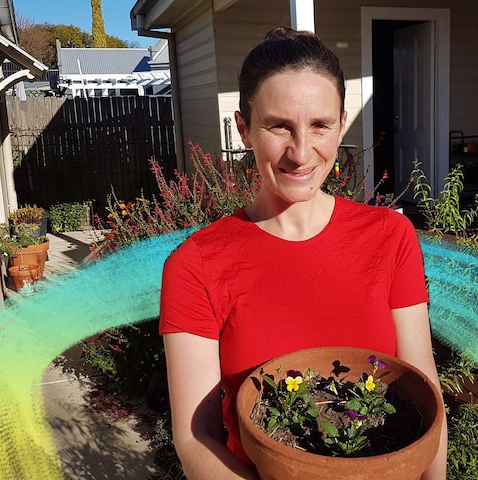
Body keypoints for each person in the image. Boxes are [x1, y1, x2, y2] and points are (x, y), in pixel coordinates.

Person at [159, 27, 447, 479]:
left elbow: (425, 396)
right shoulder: (196, 264)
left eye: (320, 125)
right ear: (244, 130)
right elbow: (197, 438)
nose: (300, 152)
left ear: (341, 124)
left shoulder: (390, 236)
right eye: (278, 126)